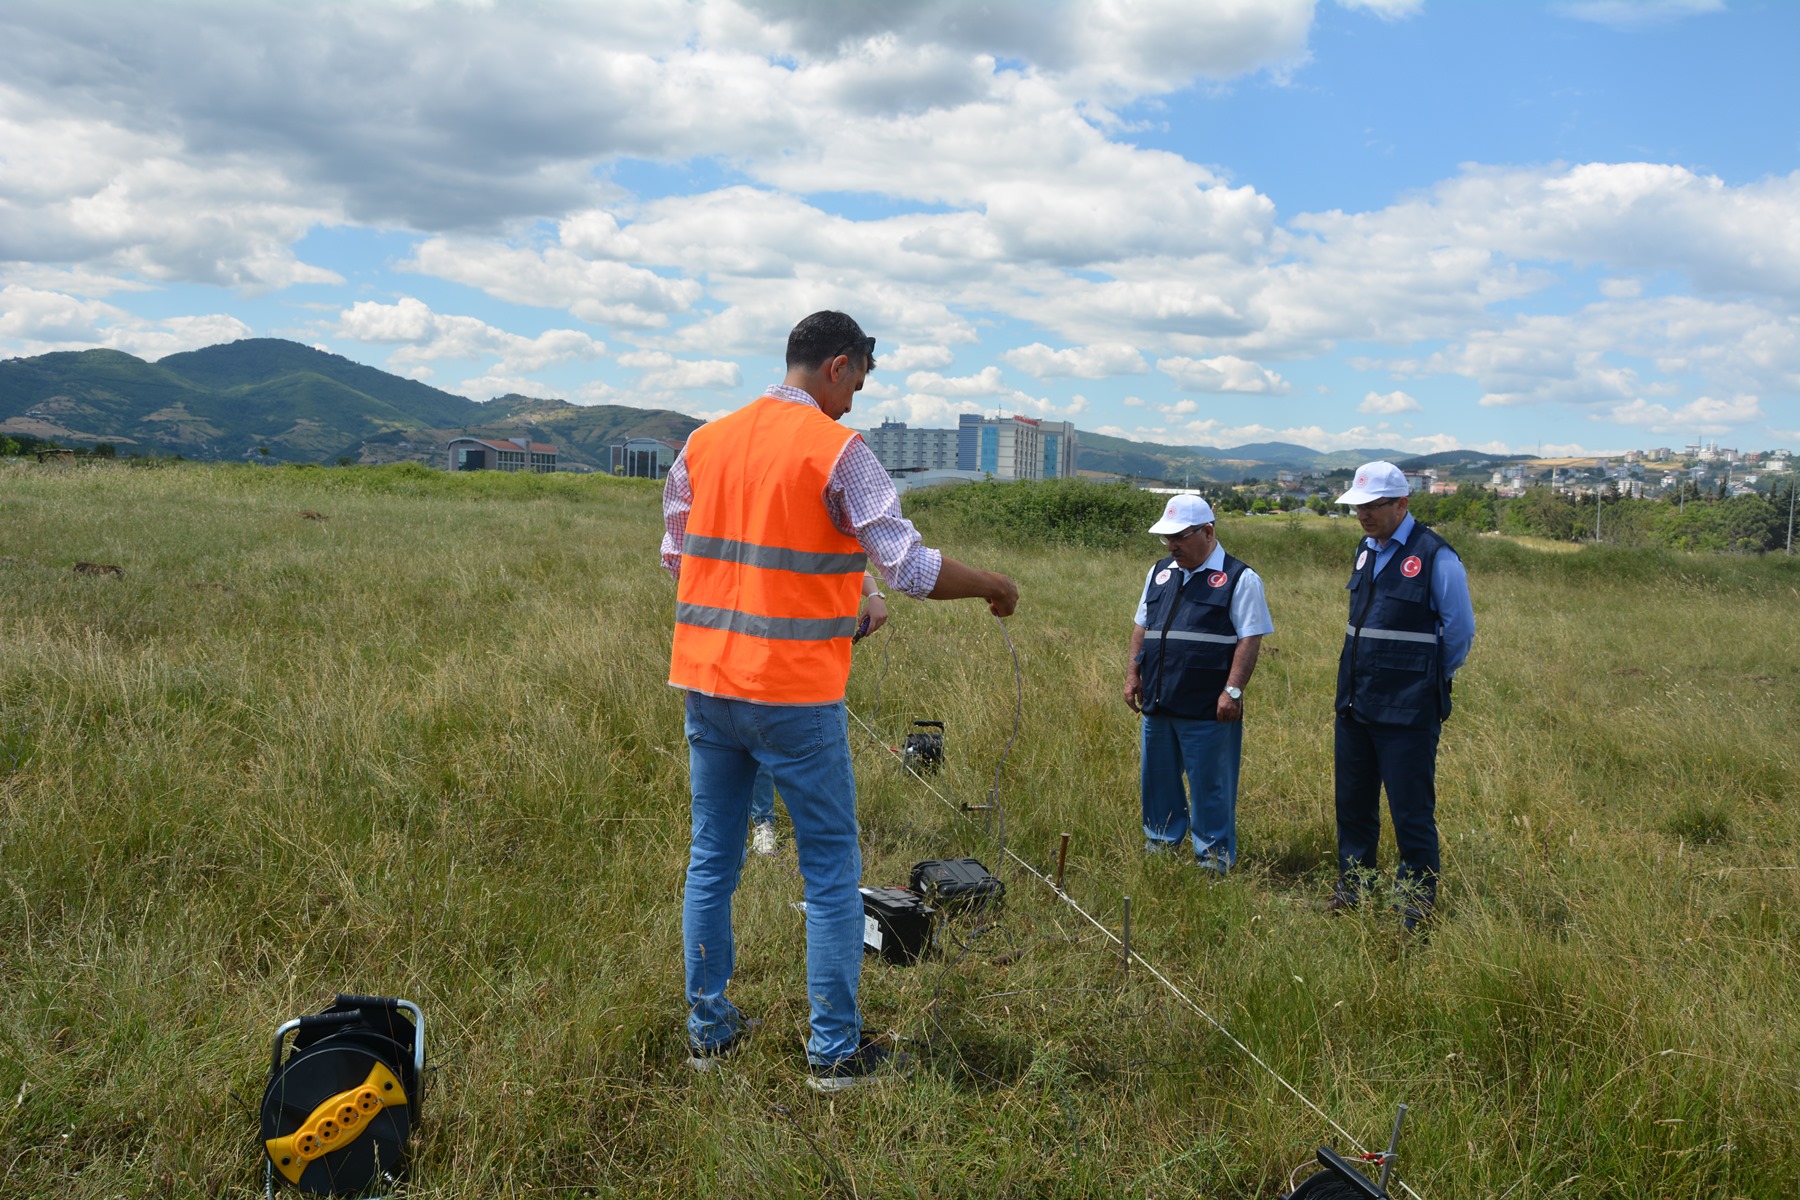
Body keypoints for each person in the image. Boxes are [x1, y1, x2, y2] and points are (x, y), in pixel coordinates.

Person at [662, 310, 1018, 1090]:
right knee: (829, 872)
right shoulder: (840, 451)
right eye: (859, 379)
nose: (857, 398)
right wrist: (993, 585)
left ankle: (709, 1031)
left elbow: (680, 559)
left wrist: (827, 605)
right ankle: (833, 1054)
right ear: (837, 364)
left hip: (706, 685)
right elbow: (911, 568)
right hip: (791, 695)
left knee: (711, 858)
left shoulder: (704, 442)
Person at [1326, 461, 1475, 931]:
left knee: (1411, 811)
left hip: (1408, 708)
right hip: (1355, 702)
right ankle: (1355, 887)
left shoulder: (1436, 556)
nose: (1364, 515)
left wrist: (1426, 678)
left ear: (1402, 504)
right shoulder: (1364, 551)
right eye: (1358, 507)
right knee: (1353, 804)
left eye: (1374, 506)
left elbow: (1459, 633)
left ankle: (1414, 903)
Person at [1124, 494, 1272, 875]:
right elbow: (1142, 626)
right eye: (1166, 537)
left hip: (1209, 707)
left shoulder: (1240, 578)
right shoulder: (1160, 572)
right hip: (1158, 700)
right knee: (1157, 781)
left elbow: (1250, 638)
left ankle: (1213, 860)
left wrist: (1233, 691)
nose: (1172, 545)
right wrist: (1132, 674)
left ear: (1208, 531)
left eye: (1180, 536)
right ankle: (1161, 845)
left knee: (1211, 787)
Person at [747, 576, 888, 857]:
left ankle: (833, 830)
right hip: (759, 655)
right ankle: (763, 823)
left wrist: (875, 594)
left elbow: (849, 561)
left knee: (828, 745)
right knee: (758, 749)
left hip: (815, 666)